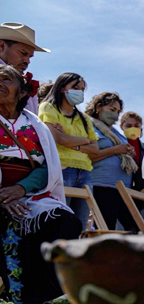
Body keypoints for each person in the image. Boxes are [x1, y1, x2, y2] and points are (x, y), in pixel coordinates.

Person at [0, 65, 81, 304]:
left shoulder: (35, 125)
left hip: (30, 194)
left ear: (22, 92)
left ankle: (47, 295)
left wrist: (21, 189)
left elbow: (49, 167)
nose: (0, 83)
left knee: (63, 222)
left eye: (6, 79)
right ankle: (15, 294)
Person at [38, 73, 99, 228]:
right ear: (61, 88)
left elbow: (95, 149)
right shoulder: (47, 107)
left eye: (82, 89)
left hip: (85, 173)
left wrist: (73, 142)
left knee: (80, 224)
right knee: (60, 223)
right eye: (75, 87)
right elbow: (58, 139)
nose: (79, 92)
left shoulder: (84, 118)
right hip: (62, 170)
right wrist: (84, 140)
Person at [85, 92, 140, 231]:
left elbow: (120, 150)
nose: (115, 114)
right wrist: (116, 150)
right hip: (101, 187)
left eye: (117, 111)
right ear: (99, 107)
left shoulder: (116, 133)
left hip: (123, 189)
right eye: (111, 109)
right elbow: (88, 155)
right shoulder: (88, 126)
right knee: (106, 229)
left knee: (134, 229)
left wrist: (127, 152)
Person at [0, 23, 49, 115]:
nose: (27, 61)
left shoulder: (26, 83)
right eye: (23, 53)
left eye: (30, 57)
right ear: (1, 46)